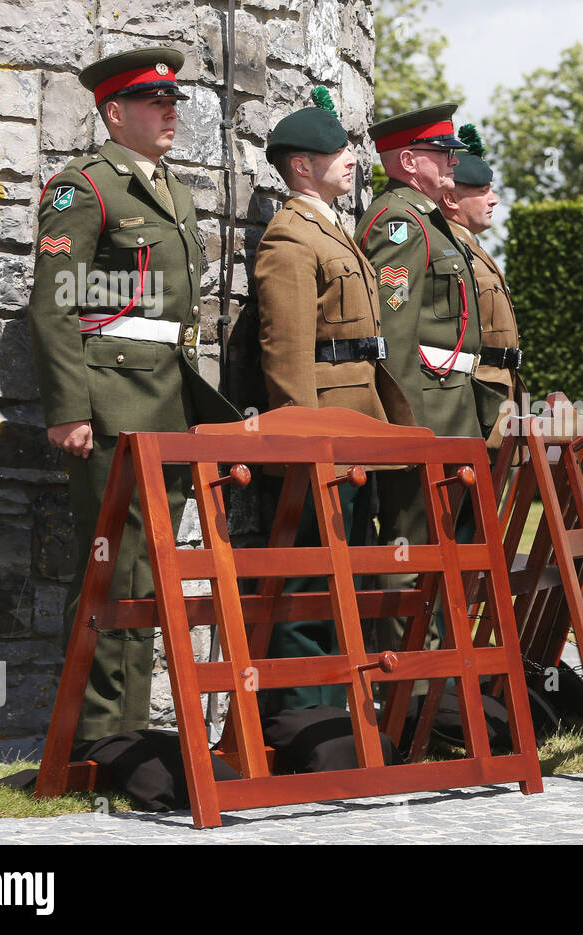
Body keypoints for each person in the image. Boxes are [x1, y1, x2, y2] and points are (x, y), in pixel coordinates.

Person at [26, 46, 239, 743]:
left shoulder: (173, 190)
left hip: (167, 402)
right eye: (156, 102)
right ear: (115, 113)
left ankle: (126, 732)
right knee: (113, 565)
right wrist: (69, 409)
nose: (170, 112)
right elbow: (57, 305)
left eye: (173, 101)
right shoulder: (84, 188)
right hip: (112, 405)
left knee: (149, 572)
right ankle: (95, 735)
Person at [252, 100, 414, 714]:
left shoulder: (331, 228)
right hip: (322, 433)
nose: (352, 160)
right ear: (301, 166)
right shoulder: (292, 236)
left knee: (347, 566)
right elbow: (286, 353)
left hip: (358, 422)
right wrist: (304, 443)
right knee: (311, 575)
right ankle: (302, 713)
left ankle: (339, 704)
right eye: (336, 152)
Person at [355, 104, 485, 657]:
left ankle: (437, 685)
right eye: (441, 154)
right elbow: (393, 337)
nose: (453, 163)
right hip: (426, 413)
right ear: (408, 161)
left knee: (441, 552)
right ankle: (408, 687)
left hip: (450, 406)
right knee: (411, 551)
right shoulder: (398, 222)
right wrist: (407, 429)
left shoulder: (428, 220)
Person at [439, 124, 523, 451]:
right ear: (450, 198)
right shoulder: (449, 250)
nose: (495, 200)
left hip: (497, 393)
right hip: (475, 399)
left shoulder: (473, 247)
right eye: (483, 191)